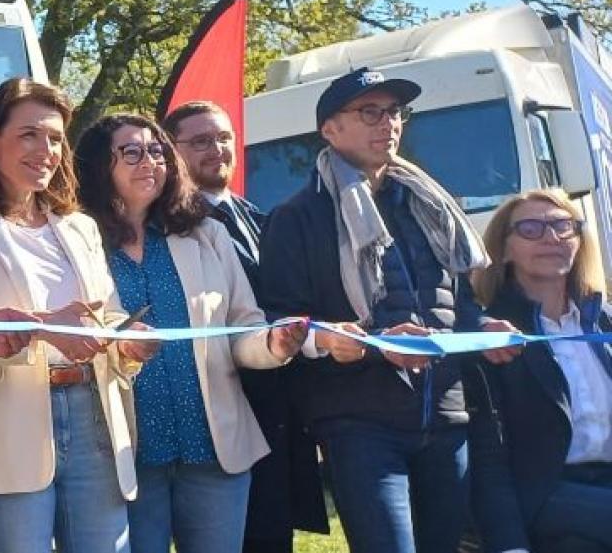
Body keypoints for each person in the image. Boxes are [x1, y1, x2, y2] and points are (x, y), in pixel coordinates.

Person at [255, 67, 520, 553]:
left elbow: (455, 302)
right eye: (370, 112)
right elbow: (282, 320)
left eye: (396, 112)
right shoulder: (296, 218)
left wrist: (483, 327)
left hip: (446, 413)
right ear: (329, 129)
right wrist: (372, 345)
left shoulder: (430, 205)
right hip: (359, 422)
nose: (388, 123)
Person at [0, 78, 159, 553]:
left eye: (54, 138)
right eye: (29, 134)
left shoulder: (80, 226)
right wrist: (45, 328)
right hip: (6, 429)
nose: (46, 150)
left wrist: (129, 343)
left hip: (94, 417)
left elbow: (107, 314)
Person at [73, 113, 308, 553]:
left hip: (211, 448)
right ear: (98, 165)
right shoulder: (77, 241)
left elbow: (244, 328)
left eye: (157, 151)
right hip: (126, 454)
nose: (150, 161)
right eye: (132, 152)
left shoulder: (207, 234)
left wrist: (273, 345)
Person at [160, 101, 328, 553]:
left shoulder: (258, 217)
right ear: (171, 152)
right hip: (223, 413)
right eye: (200, 141)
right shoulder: (169, 230)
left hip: (278, 409)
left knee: (273, 536)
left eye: (223, 138)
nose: (217, 149)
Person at [467, 189, 612, 552]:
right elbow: (488, 458)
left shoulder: (603, 323)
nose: (551, 238)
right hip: (546, 491)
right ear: (503, 250)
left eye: (563, 226)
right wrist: (509, 545)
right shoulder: (492, 337)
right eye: (531, 229)